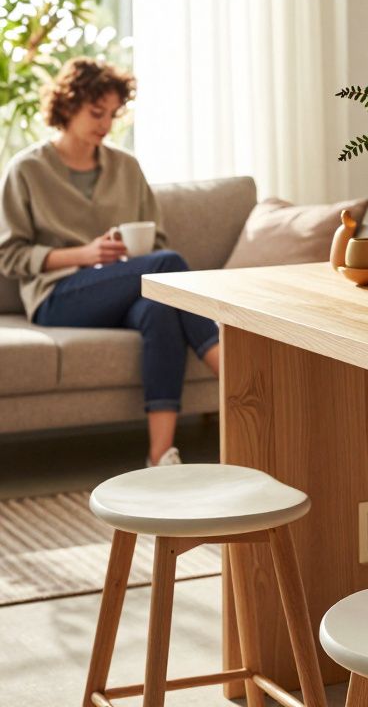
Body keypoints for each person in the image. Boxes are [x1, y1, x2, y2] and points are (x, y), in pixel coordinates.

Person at [0, 58, 220, 466]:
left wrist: (126, 259)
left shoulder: (126, 167)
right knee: (168, 264)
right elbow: (9, 256)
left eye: (112, 114)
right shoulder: (26, 170)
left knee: (160, 308)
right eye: (95, 112)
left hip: (124, 288)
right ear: (67, 107)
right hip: (57, 296)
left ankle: (160, 456)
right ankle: (224, 362)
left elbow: (155, 241)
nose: (104, 123)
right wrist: (83, 255)